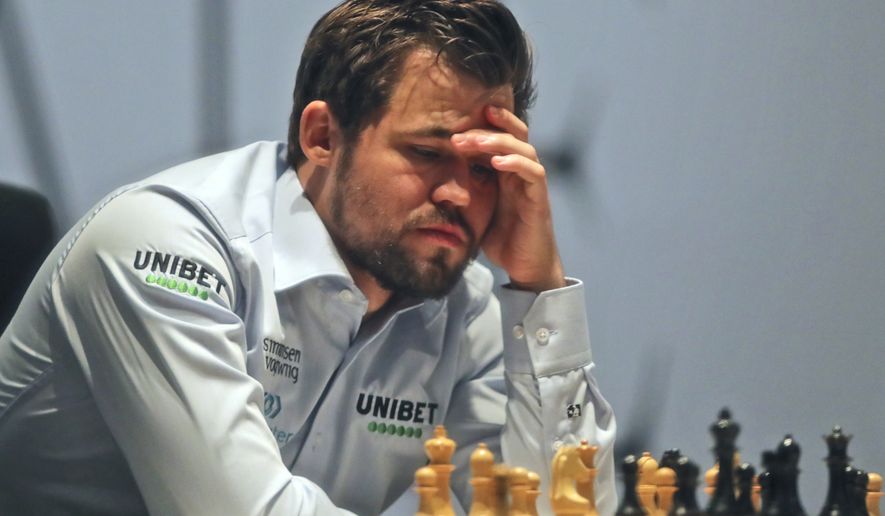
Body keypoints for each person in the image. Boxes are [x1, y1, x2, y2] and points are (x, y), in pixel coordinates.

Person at [0, 1, 617, 514]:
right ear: (322, 136)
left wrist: (539, 290)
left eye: (485, 168)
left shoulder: (468, 311)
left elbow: (558, 507)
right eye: (428, 153)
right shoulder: (162, 244)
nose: (460, 194)